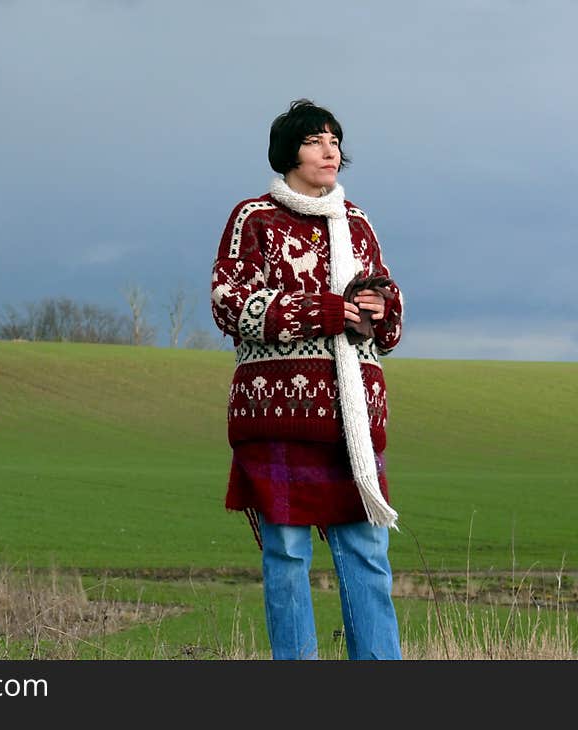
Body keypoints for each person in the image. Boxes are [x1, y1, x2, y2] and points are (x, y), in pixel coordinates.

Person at [210, 99, 405, 660]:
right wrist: (325, 311)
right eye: (315, 140)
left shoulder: (360, 224)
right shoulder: (255, 218)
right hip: (277, 415)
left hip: (355, 424)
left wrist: (377, 309)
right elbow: (230, 304)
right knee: (288, 556)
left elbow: (390, 324)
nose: (330, 151)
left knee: (368, 555)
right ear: (287, 151)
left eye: (336, 141)